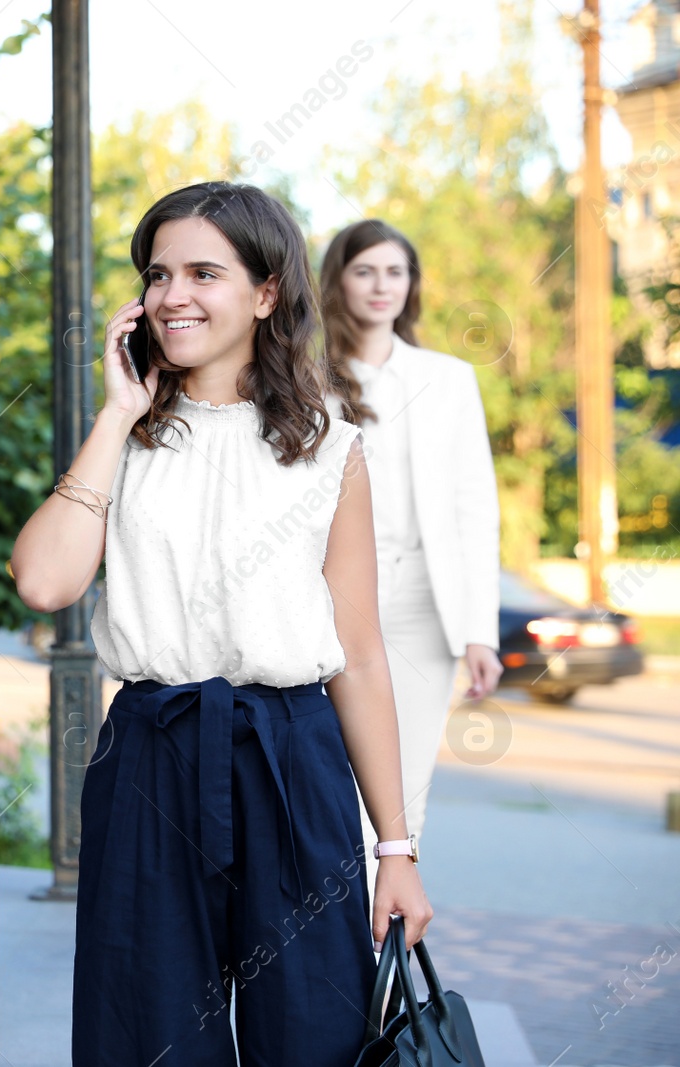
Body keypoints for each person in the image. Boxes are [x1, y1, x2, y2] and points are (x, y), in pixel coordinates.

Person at [11, 182, 432, 1066]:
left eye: (205, 272)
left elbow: (358, 652)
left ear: (267, 292)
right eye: (158, 274)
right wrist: (118, 412)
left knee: (314, 1032)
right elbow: (45, 581)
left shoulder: (330, 447)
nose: (173, 296)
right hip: (153, 754)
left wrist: (397, 847)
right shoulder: (122, 436)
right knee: (148, 1031)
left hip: (293, 756)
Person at [318, 220, 502, 894]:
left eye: (396, 272)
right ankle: (332, 934)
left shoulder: (448, 379)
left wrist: (480, 629)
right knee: (336, 772)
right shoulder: (310, 377)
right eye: (365, 269)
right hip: (337, 601)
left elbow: (473, 506)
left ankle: (382, 952)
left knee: (405, 790)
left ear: (411, 286)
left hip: (428, 601)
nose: (381, 285)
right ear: (338, 278)